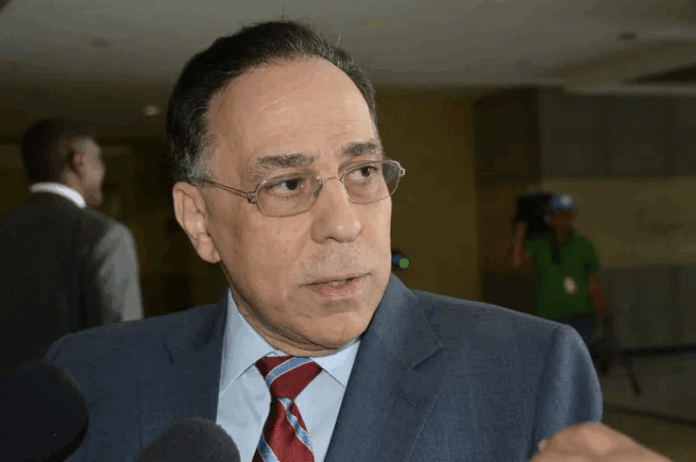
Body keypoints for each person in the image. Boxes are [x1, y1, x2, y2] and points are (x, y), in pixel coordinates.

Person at [43, 20, 670, 462]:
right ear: (199, 220)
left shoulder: (529, 372)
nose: (344, 224)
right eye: (289, 184)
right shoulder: (90, 379)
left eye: (363, 171)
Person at [0, 119, 143, 374]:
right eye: (98, 159)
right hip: (74, 395)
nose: (102, 170)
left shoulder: (5, 228)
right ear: (79, 162)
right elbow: (122, 343)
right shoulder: (104, 236)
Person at [507, 193, 615, 349]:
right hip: (549, 317)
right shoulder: (539, 244)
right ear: (550, 218)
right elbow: (514, 263)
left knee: (574, 357)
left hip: (580, 316)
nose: (563, 221)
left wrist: (604, 312)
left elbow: (592, 283)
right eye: (558, 216)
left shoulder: (583, 246)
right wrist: (521, 230)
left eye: (567, 215)